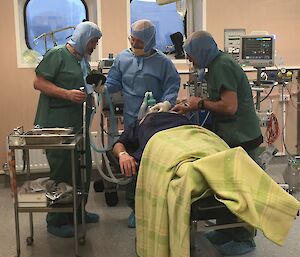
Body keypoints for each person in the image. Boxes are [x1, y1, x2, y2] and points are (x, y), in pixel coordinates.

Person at [172, 31, 263, 255]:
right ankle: (227, 231)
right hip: (230, 135)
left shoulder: (222, 65)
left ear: (201, 51)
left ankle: (244, 239)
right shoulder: (214, 66)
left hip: (242, 137)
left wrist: (200, 104)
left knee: (238, 191)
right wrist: (191, 104)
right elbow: (216, 100)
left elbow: (229, 107)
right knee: (225, 188)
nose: (190, 60)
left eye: (190, 55)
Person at [104, 19, 181, 227]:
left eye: (139, 42)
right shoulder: (122, 59)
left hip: (155, 123)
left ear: (149, 41)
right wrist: (97, 86)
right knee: (133, 164)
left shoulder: (163, 62)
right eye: (132, 40)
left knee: (154, 164)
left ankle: (156, 206)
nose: (134, 45)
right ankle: (135, 208)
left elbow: (172, 86)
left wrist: (166, 103)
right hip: (131, 121)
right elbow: (112, 84)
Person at [33, 21, 102, 238]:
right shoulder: (57, 54)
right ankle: (56, 219)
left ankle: (77, 211)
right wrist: (67, 94)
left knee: (82, 168)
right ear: (83, 38)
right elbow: (39, 83)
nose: (95, 46)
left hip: (77, 125)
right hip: (56, 124)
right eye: (93, 41)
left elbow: (87, 86)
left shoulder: (81, 61)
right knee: (62, 172)